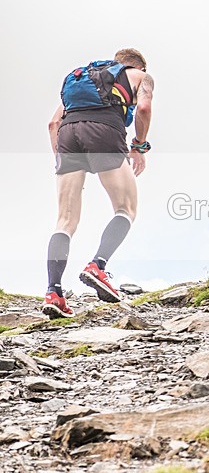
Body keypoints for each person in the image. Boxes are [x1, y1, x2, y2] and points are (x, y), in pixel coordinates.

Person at [42, 49, 155, 319]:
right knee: (126, 208)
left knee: (65, 221)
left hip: (68, 135)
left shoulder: (83, 77)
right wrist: (139, 145)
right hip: (104, 130)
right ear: (138, 65)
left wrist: (62, 159)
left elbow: (53, 123)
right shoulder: (141, 76)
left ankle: (53, 292)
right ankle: (97, 266)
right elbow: (144, 108)